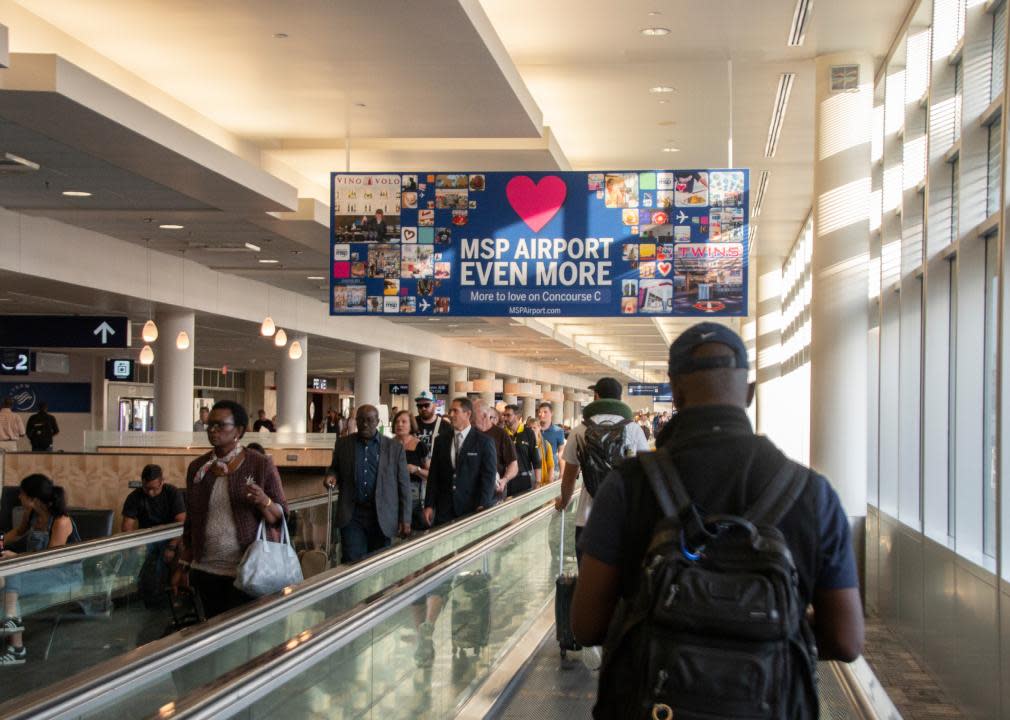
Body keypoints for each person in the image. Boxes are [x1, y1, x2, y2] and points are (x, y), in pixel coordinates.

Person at [572, 323, 863, 716]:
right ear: (749, 393)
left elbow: (587, 624)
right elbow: (846, 640)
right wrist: (758, 626)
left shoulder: (628, 485)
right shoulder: (812, 494)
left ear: (674, 391)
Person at [171, 401, 288, 619]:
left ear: (239, 430)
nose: (213, 430)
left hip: (247, 571)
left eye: (221, 425)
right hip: (205, 570)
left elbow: (281, 517)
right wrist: (183, 565)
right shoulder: (198, 468)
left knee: (243, 636)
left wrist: (264, 501)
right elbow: (191, 522)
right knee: (213, 633)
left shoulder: (260, 464)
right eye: (210, 425)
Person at [554, 377, 649, 562]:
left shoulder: (580, 430)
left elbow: (569, 477)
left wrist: (564, 502)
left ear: (596, 396)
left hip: (587, 520)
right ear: (619, 399)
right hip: (623, 519)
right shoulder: (633, 429)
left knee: (587, 583)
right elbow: (645, 473)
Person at [0, 474, 83, 665]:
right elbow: (17, 533)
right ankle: (14, 636)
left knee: (11, 577)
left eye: (22, 494)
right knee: (7, 578)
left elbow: (50, 560)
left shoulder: (61, 521)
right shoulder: (32, 514)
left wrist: (17, 558)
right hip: (35, 569)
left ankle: (15, 639)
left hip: (64, 575)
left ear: (33, 499)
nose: (19, 497)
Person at [324, 405, 411, 563]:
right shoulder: (343, 445)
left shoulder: (394, 448)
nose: (365, 424)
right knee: (352, 561)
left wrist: (405, 518)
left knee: (378, 564)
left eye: (370, 420)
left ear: (377, 421)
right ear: (355, 421)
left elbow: (404, 485)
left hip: (382, 516)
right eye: (361, 420)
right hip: (352, 515)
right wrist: (331, 475)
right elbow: (334, 468)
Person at [423, 397, 496, 528]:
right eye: (450, 411)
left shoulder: (484, 442)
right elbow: (434, 475)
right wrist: (429, 504)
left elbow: (488, 477)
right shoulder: (441, 441)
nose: (451, 415)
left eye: (455, 411)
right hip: (444, 509)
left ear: (468, 414)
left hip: (471, 508)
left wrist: (484, 504)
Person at [472, 399, 518, 501]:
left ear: (484, 415)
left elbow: (513, 464)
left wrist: (504, 480)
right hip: (470, 494)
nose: (471, 419)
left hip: (493, 494)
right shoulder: (470, 433)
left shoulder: (501, 435)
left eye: (473, 415)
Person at [391, 410, 429, 532]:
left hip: (413, 495)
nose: (400, 425)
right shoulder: (388, 444)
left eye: (404, 422)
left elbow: (430, 474)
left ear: (411, 425)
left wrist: (416, 469)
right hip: (391, 493)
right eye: (397, 422)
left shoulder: (419, 445)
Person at [122, 464, 186, 532]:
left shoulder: (173, 492)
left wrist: (174, 542)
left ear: (162, 482)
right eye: (146, 488)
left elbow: (181, 523)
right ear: (142, 482)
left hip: (170, 534)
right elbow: (126, 527)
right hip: (146, 537)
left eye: (154, 489)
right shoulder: (134, 497)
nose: (150, 492)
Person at [502, 405, 541, 496]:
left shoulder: (528, 432)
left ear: (517, 416)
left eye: (508, 415)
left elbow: (535, 458)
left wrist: (538, 482)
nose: (505, 418)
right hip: (506, 480)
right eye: (504, 415)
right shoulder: (502, 433)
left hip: (524, 479)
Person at [414, 391, 451, 462]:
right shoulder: (411, 423)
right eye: (420, 406)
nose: (423, 408)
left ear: (434, 405)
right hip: (414, 468)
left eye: (426, 405)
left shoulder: (445, 426)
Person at [536, 402, 565, 480]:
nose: (542, 415)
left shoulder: (558, 431)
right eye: (540, 412)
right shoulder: (533, 430)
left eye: (545, 412)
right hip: (536, 471)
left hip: (553, 471)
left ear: (551, 413)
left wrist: (562, 473)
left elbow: (561, 452)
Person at [527, 416, 554, 485]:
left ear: (539, 428)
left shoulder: (546, 445)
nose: (532, 430)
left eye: (534, 428)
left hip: (541, 482)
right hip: (527, 482)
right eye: (530, 428)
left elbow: (550, 465)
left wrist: (550, 481)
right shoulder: (524, 444)